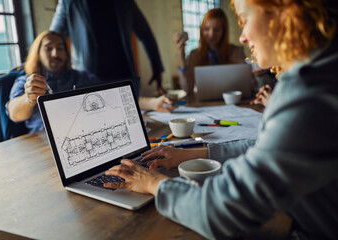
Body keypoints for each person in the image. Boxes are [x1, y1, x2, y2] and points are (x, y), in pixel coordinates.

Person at [104, 0, 338, 239]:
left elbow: (222, 210)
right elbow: (265, 147)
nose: (244, 37)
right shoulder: (322, 73)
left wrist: (153, 183)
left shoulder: (308, 96)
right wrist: (197, 152)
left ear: (285, 10)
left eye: (245, 20)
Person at [7, 31, 175, 134]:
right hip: (43, 144)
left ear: (66, 53)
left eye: (60, 48)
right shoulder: (26, 80)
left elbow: (114, 97)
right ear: (37, 53)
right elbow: (14, 114)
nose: (55, 52)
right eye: (48, 48)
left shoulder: (82, 77)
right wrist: (28, 99)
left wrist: (153, 103)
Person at [49, 0, 166, 96]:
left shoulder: (126, 2)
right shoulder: (69, 2)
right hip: (88, 78)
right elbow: (52, 38)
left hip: (125, 75)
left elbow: (145, 33)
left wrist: (157, 67)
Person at [175, 8, 245, 96]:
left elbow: (248, 83)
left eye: (216, 30)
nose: (211, 34)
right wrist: (181, 54)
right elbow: (188, 90)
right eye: (207, 29)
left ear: (224, 31)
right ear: (201, 30)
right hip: (204, 105)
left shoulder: (236, 52)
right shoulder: (194, 55)